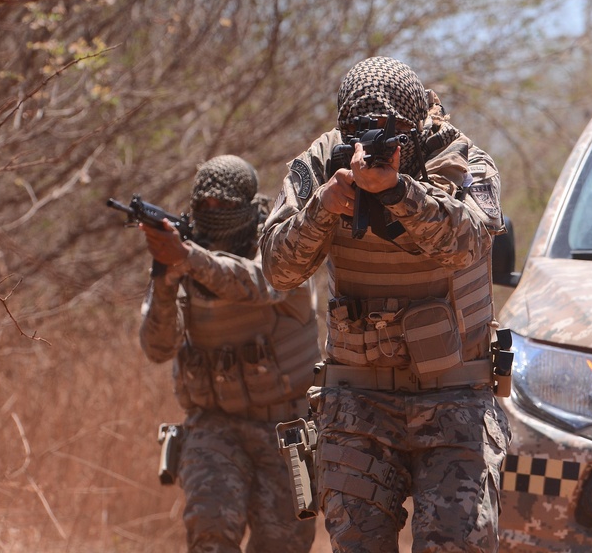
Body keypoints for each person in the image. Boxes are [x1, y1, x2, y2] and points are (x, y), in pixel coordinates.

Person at [259, 56, 511, 553]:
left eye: (388, 129)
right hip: (357, 405)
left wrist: (397, 192)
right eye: (355, 129)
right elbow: (278, 268)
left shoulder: (459, 158)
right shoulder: (322, 161)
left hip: (455, 401)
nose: (368, 143)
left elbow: (471, 243)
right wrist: (323, 207)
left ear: (413, 125)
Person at [138, 154, 319, 553]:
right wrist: (166, 281)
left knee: (283, 544)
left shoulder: (280, 249)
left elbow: (259, 284)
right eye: (206, 205)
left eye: (224, 205)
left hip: (287, 431)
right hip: (213, 427)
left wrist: (187, 258)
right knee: (211, 529)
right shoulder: (182, 257)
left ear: (249, 206)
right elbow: (157, 347)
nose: (214, 213)